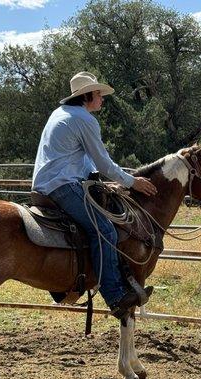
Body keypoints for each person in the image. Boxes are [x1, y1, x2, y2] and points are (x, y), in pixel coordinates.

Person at [32, 71, 157, 318]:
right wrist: (132, 183)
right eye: (99, 94)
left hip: (45, 185)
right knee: (105, 231)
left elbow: (85, 160)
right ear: (87, 96)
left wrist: (100, 181)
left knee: (85, 227)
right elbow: (103, 162)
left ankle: (65, 284)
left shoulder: (61, 114)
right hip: (62, 185)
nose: (102, 98)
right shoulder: (84, 119)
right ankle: (116, 297)